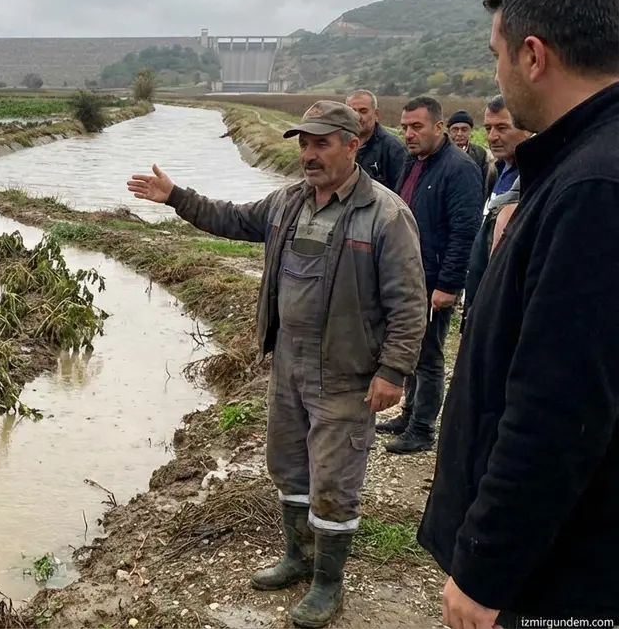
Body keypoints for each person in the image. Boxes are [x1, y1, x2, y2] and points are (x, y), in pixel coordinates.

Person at [127, 101, 427, 628]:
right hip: (288, 362)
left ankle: (328, 584)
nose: (308, 155)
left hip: (346, 372)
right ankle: (296, 556)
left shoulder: (384, 214)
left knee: (334, 480)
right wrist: (177, 198)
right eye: (303, 144)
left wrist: (393, 370)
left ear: (352, 145)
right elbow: (234, 219)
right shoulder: (289, 202)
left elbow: (408, 301)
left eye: (321, 144)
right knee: (289, 466)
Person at [419, 0, 619, 626]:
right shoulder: (580, 165)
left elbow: (558, 407)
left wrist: (484, 567)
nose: (495, 74)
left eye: (497, 54)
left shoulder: (593, 187)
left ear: (533, 55)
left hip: (561, 579)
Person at [376, 96, 483, 455]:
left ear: (439, 127)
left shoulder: (459, 169)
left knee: (430, 355)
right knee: (411, 349)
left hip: (433, 280)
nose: (408, 133)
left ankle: (422, 429)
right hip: (408, 278)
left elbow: (464, 232)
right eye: (404, 127)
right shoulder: (412, 162)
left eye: (416, 126)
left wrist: (447, 286)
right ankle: (407, 414)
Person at [462, 94, 531, 321]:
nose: (492, 137)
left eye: (502, 127)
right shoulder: (497, 170)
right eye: (488, 128)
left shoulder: (534, 177)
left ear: (527, 127)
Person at [346, 89, 407, 187]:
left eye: (363, 111)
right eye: (352, 111)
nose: (357, 116)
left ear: (376, 114)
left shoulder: (394, 149)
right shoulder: (338, 144)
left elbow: (402, 192)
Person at [447, 110, 495, 198]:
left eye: (464, 130)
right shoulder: (441, 153)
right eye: (455, 130)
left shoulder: (480, 153)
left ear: (470, 132)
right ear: (449, 132)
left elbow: (484, 184)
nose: (459, 134)